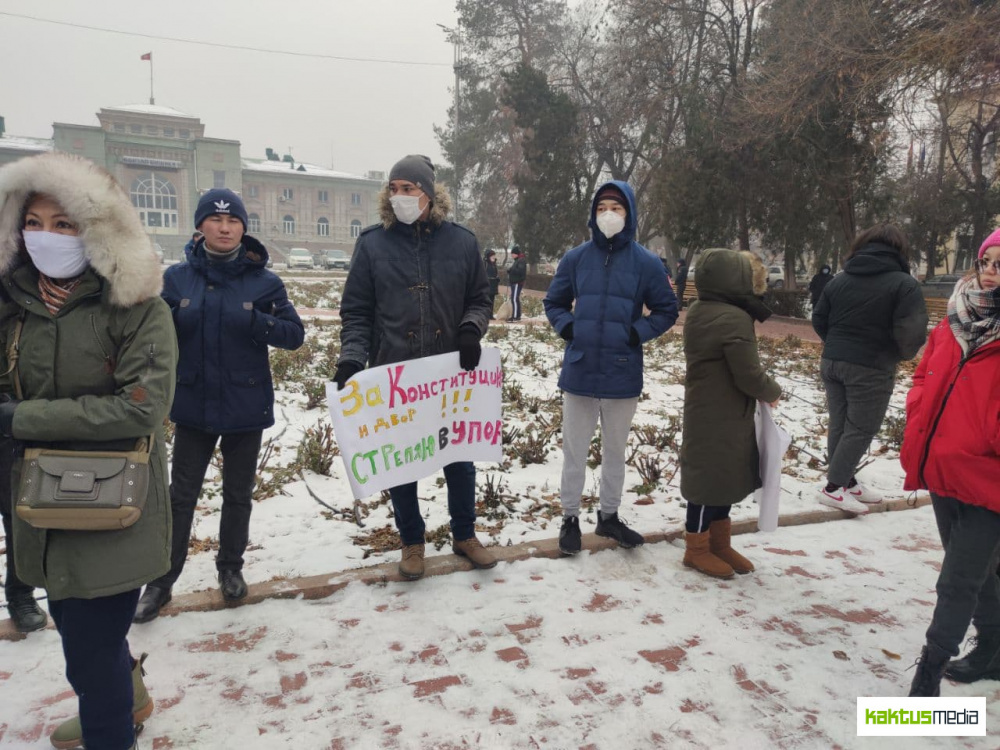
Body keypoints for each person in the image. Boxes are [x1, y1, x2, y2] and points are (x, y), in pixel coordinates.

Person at [0, 152, 178, 750]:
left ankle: (112, 723)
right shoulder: (11, 307)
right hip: (39, 502)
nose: (45, 237)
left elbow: (140, 407)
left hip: (112, 501)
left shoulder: (137, 307)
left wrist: (24, 417)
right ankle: (129, 694)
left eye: (64, 224)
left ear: (99, 231)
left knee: (89, 649)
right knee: (82, 632)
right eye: (34, 222)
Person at [132, 188, 304, 623]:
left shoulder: (264, 281)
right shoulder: (176, 279)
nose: (225, 228)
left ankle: (230, 568)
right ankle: (161, 582)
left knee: (237, 494)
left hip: (245, 404)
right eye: (215, 220)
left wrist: (256, 320)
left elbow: (293, 334)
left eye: (233, 222)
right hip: (193, 404)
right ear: (200, 226)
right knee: (180, 496)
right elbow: (153, 335)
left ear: (244, 228)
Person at [335, 154, 495, 581]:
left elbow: (480, 298)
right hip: (396, 374)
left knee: (458, 456)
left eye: (409, 188)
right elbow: (356, 311)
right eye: (394, 188)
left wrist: (469, 331)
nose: (401, 196)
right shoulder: (373, 244)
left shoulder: (461, 242)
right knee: (400, 460)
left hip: (448, 374)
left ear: (429, 192)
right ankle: (412, 541)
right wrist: (352, 357)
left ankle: (465, 533)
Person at [544, 181, 678, 555]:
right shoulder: (575, 259)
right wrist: (567, 327)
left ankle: (609, 517)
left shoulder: (647, 264)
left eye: (616, 208)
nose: (608, 214)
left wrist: (637, 334)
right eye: (602, 206)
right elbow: (553, 302)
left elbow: (668, 310)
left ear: (629, 214)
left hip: (621, 371)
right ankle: (570, 517)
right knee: (574, 451)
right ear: (593, 212)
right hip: (580, 370)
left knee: (614, 451)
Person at [900, 228, 1000, 696]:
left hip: (990, 476)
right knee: (979, 571)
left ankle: (928, 674)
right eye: (988, 262)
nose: (993, 272)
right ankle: (994, 650)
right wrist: (918, 407)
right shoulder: (954, 321)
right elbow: (925, 374)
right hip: (943, 467)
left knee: (958, 577)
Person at [812, 225, 927, 514]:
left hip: (833, 361)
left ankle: (846, 481)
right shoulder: (904, 284)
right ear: (899, 251)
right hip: (872, 365)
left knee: (840, 423)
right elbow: (911, 331)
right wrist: (899, 354)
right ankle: (834, 488)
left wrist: (835, 343)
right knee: (862, 428)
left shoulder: (839, 281)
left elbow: (818, 317)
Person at [680, 250, 781, 578]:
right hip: (719, 413)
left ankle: (718, 543)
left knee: (721, 476)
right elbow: (749, 374)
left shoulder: (702, 310)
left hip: (718, 410)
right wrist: (772, 391)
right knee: (708, 481)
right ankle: (696, 549)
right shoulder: (731, 318)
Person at [507, 246, 527, 321]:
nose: (512, 255)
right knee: (515, 298)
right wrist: (510, 270)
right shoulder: (517, 260)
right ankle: (517, 315)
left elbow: (520, 271)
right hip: (515, 282)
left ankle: (515, 316)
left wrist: (511, 270)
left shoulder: (521, 260)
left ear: (516, 254)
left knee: (514, 299)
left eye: (512, 253)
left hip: (517, 282)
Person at [485, 249, 500, 320]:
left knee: (492, 300)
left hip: (493, 285)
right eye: (492, 255)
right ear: (489, 256)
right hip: (487, 285)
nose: (494, 257)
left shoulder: (494, 264)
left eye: (494, 255)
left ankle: (490, 314)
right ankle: (486, 314)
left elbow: (495, 273)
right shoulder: (485, 263)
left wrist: (497, 278)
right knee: (486, 300)